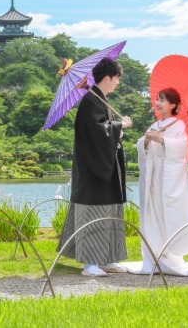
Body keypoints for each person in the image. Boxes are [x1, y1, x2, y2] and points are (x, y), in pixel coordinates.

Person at [57, 57, 133, 277]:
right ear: (108, 78)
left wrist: (117, 127)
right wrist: (121, 125)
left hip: (105, 170)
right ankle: (90, 262)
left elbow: (106, 130)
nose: (118, 82)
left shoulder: (99, 100)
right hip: (93, 172)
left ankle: (108, 258)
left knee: (109, 212)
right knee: (93, 214)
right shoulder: (90, 102)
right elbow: (99, 133)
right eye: (117, 78)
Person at [122, 87, 188, 276]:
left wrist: (163, 141)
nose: (158, 103)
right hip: (152, 178)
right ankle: (153, 256)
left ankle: (170, 256)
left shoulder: (178, 125)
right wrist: (145, 141)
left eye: (162, 100)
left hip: (168, 178)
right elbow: (141, 146)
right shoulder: (155, 125)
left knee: (165, 213)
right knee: (151, 213)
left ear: (173, 105)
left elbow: (182, 148)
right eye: (157, 99)